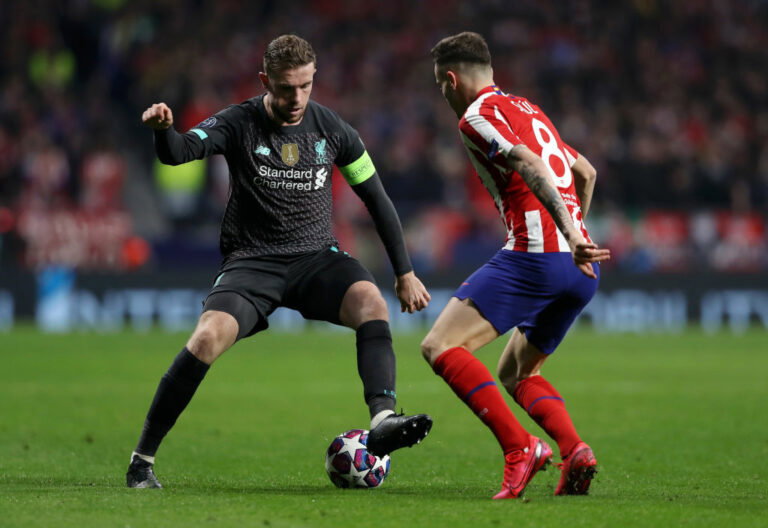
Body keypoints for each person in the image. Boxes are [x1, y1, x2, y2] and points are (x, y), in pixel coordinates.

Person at [126, 34, 433, 488]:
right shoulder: (238, 122)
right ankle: (142, 460)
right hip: (254, 263)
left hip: (315, 259)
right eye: (287, 87)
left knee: (371, 301)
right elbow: (179, 153)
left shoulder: (333, 130)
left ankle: (384, 419)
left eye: (306, 86)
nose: (297, 98)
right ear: (265, 80)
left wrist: (404, 272)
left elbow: (377, 199)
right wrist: (162, 131)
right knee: (207, 338)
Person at [422, 32, 611, 499]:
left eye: (439, 86)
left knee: (441, 346)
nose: (442, 96)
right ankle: (573, 450)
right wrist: (578, 237)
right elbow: (585, 171)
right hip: (580, 269)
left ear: (451, 79)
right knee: (518, 373)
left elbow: (526, 162)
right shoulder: (527, 109)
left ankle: (519, 448)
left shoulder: (476, 116)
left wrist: (565, 233)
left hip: (537, 255)